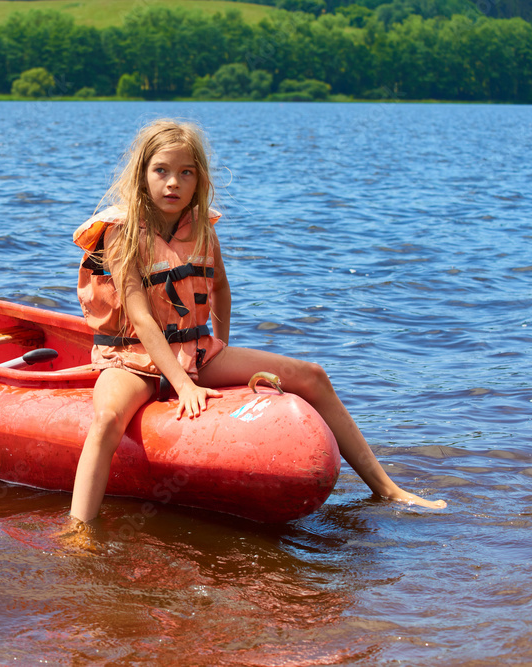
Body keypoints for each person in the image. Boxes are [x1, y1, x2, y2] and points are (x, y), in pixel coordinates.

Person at [69, 119, 446, 524]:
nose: (172, 183)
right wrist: (183, 385)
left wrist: (219, 350)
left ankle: (389, 490)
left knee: (313, 375)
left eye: (186, 173)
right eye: (161, 170)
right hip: (133, 359)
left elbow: (220, 290)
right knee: (107, 419)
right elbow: (141, 318)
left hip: (195, 351)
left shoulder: (201, 230)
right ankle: (79, 530)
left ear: (199, 180)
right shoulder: (120, 234)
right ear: (143, 174)